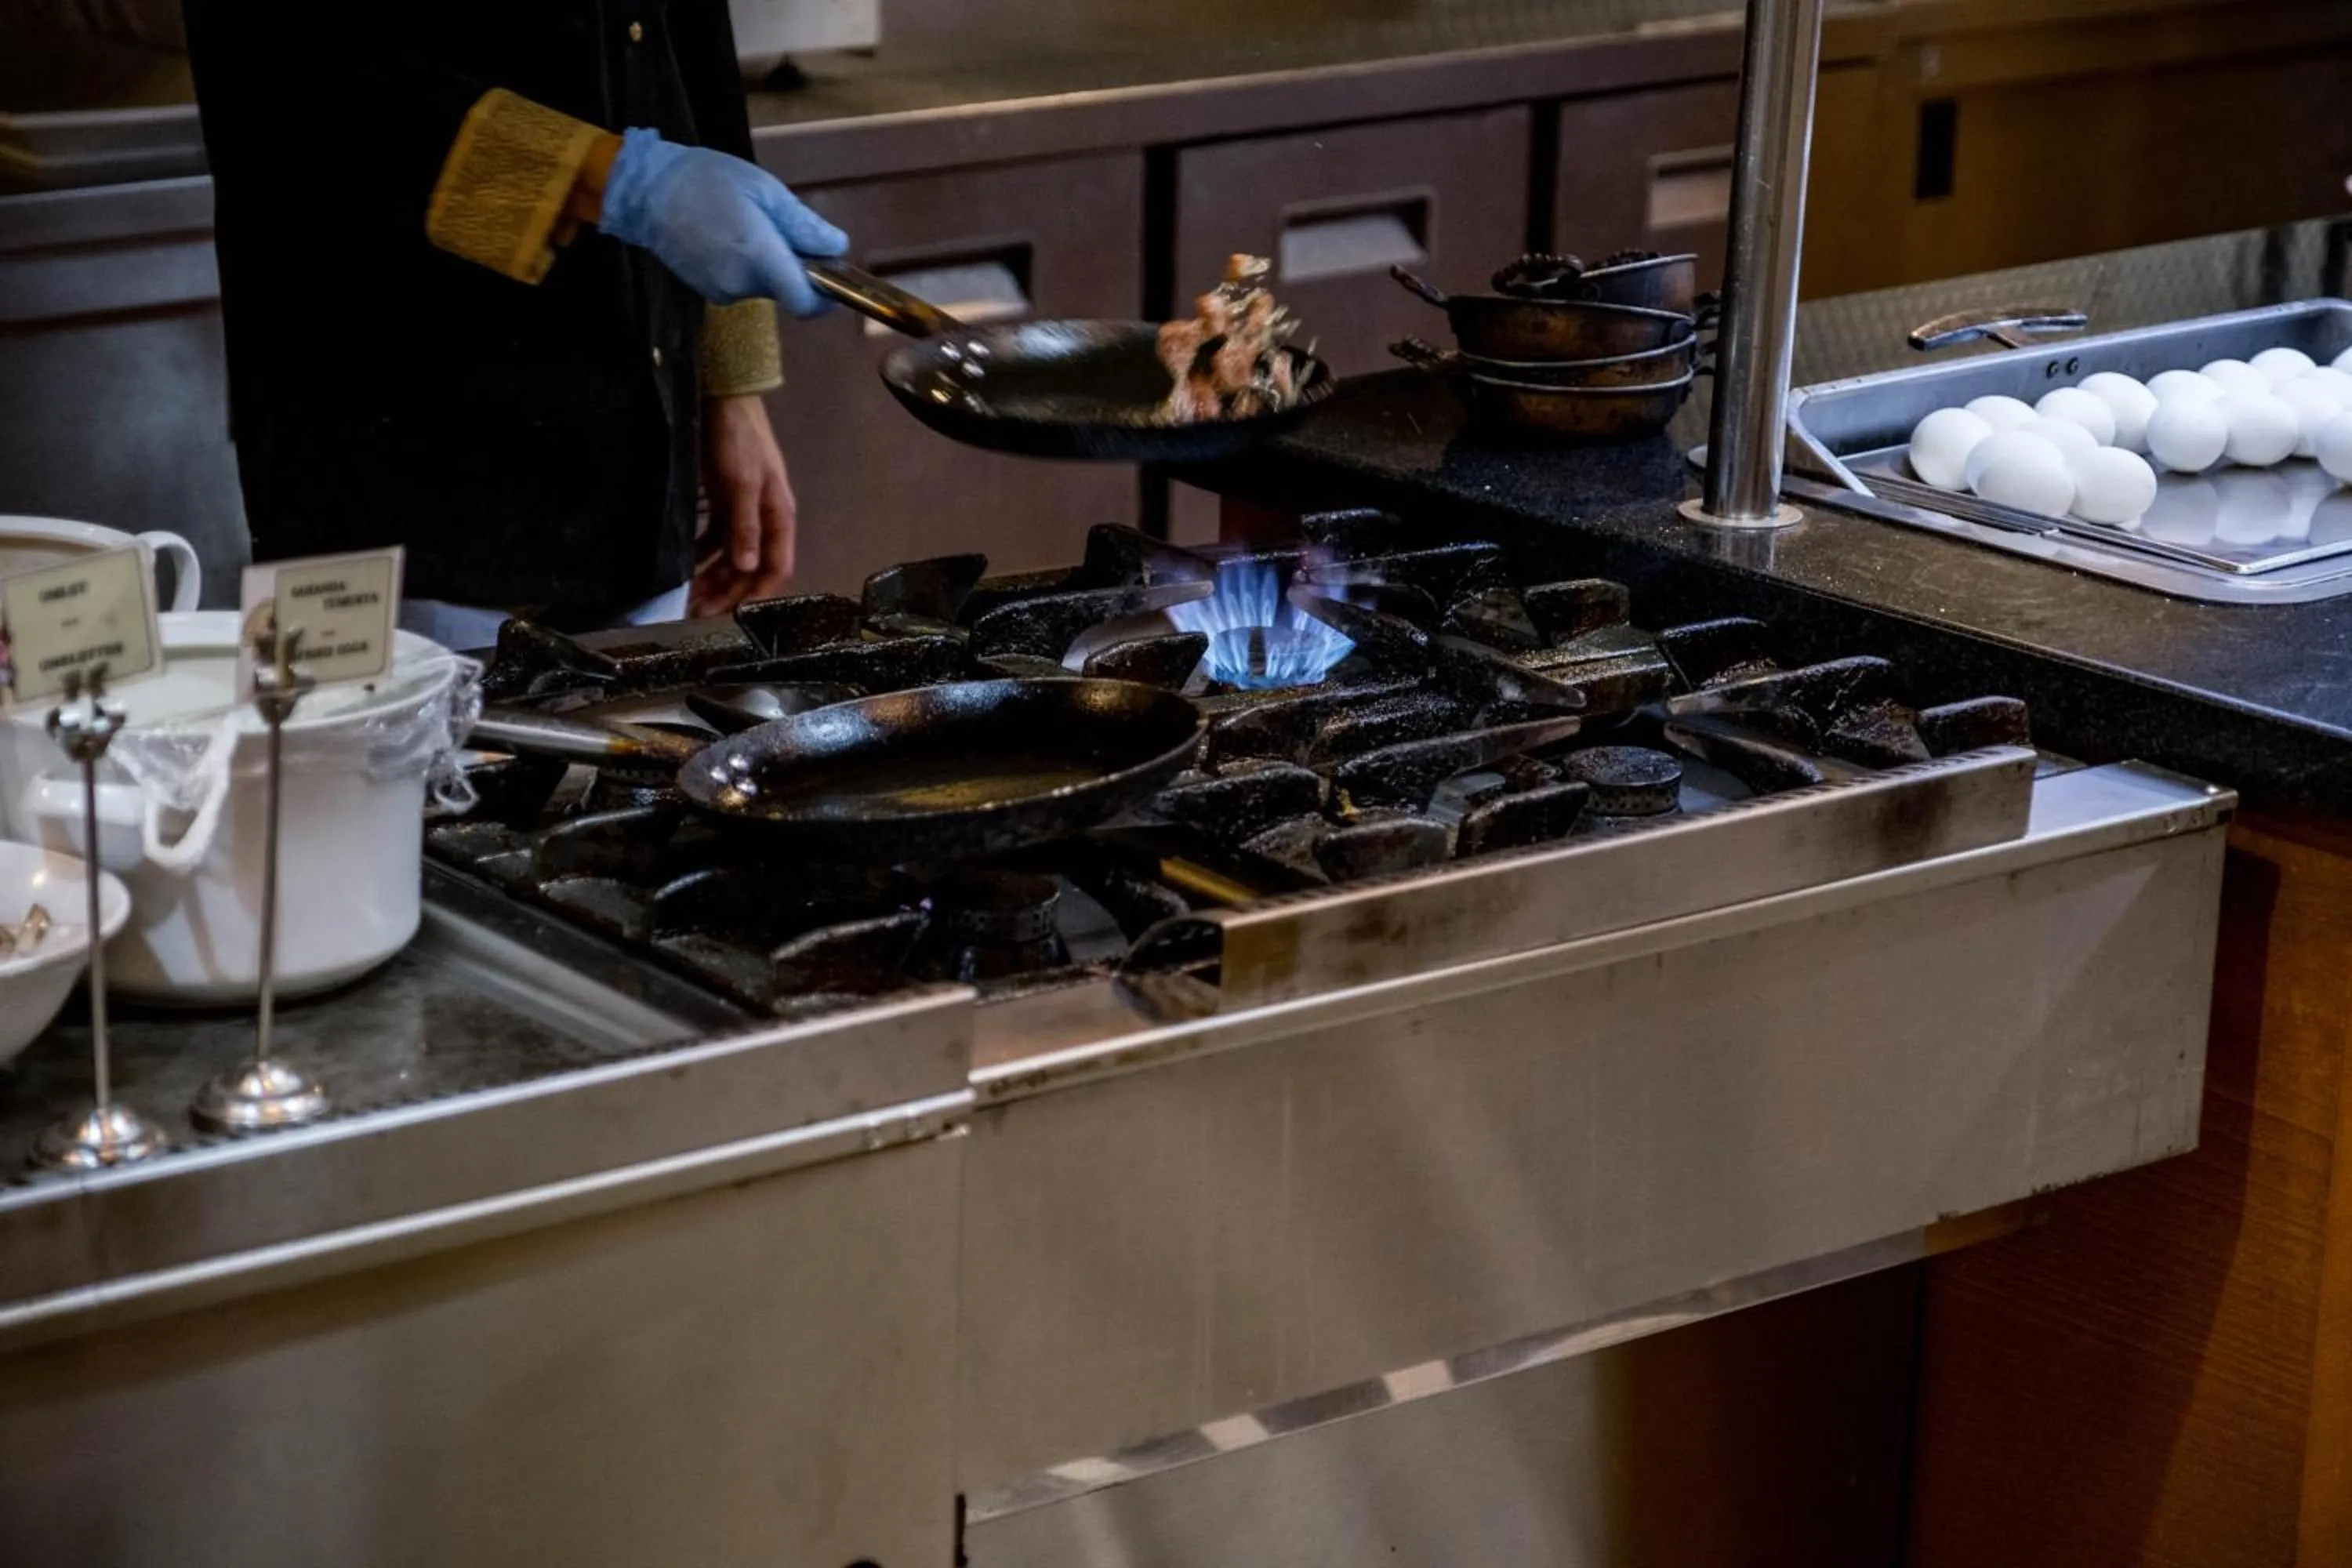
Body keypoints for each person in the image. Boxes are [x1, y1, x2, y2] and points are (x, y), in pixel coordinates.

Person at [179, 1, 851, 647]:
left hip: (636, 442)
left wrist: (731, 384)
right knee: (398, 761)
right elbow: (288, 70)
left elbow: (689, 48)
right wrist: (616, 180)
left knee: (648, 753)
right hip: (394, 446)